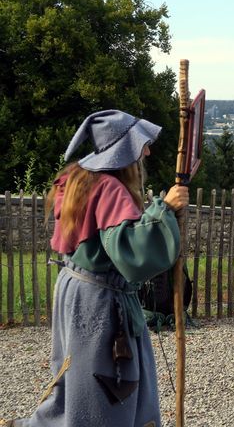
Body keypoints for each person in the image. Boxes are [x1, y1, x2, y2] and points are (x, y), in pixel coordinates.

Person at [12, 110, 189, 426]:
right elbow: (132, 252)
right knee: (103, 385)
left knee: (75, 377)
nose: (147, 151)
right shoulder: (109, 188)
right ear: (123, 151)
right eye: (141, 145)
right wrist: (165, 209)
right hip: (100, 302)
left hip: (75, 290)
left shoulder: (77, 178)